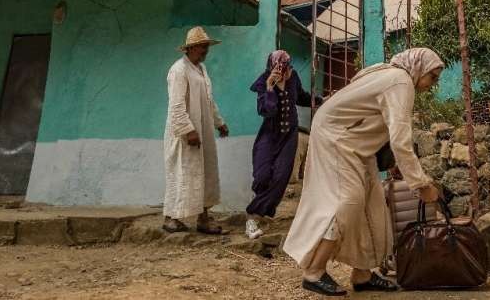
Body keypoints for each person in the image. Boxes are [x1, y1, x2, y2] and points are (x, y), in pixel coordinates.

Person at [283, 48, 445, 296]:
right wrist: (421, 184)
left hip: (355, 143)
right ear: (418, 67)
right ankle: (314, 272)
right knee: (348, 201)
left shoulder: (388, 73)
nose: (433, 84)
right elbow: (401, 140)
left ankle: (363, 274)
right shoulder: (401, 82)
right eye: (432, 77)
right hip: (337, 138)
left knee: (373, 204)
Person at [245, 50, 321, 239]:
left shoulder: (293, 77)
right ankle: (261, 204)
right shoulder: (264, 81)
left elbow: (301, 97)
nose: (282, 69)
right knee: (262, 175)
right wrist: (270, 87)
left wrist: (320, 100)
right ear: (271, 65)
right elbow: (266, 111)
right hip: (269, 135)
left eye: (285, 65)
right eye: (278, 65)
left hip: (289, 137)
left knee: (280, 178)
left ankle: (252, 217)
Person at [162, 26, 230, 234]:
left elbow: (209, 100)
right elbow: (176, 105)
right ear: (190, 48)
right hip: (185, 134)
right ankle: (171, 218)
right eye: (202, 47)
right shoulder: (179, 70)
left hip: (204, 130)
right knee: (182, 173)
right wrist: (187, 130)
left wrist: (219, 122)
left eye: (206, 47)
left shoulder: (201, 70)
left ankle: (203, 219)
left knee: (205, 174)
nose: (206, 51)